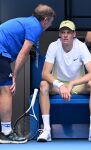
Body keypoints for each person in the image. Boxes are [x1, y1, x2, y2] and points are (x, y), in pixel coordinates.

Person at [37, 20, 91, 142]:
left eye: (68, 32)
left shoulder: (81, 47)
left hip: (77, 86)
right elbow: (45, 74)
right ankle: (47, 130)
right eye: (63, 32)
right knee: (43, 85)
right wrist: (60, 85)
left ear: (74, 34)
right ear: (59, 34)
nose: (65, 35)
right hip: (58, 86)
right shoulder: (53, 46)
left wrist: (72, 83)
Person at [0, 4, 55, 144]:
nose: (51, 24)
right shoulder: (36, 27)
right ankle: (6, 132)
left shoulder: (28, 22)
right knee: (6, 90)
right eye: (51, 21)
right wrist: (15, 76)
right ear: (45, 20)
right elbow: (23, 53)